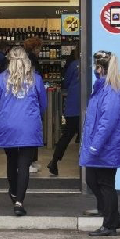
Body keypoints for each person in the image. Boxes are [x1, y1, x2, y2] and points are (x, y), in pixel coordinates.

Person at [0, 47, 47, 216]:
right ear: (26, 60)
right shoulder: (36, 79)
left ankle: (13, 191)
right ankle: (19, 201)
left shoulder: (0, 80)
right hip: (29, 127)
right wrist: (36, 118)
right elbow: (43, 105)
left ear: (9, 61)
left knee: (12, 161)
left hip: (7, 127)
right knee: (24, 165)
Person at [80, 50, 120, 237]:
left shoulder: (111, 91)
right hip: (102, 146)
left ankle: (110, 224)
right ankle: (114, 217)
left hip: (106, 147)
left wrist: (94, 146)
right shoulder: (102, 89)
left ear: (99, 68)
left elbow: (107, 123)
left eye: (95, 67)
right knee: (93, 180)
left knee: (105, 184)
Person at [48, 47, 81, 176]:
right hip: (86, 106)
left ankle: (54, 160)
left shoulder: (74, 65)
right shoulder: (92, 66)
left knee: (67, 135)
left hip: (72, 105)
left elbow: (66, 82)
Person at [23, 37, 43, 173]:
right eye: (39, 48)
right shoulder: (31, 59)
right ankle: (28, 163)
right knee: (31, 130)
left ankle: (31, 161)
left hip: (27, 98)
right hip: (31, 99)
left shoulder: (26, 58)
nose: (40, 51)